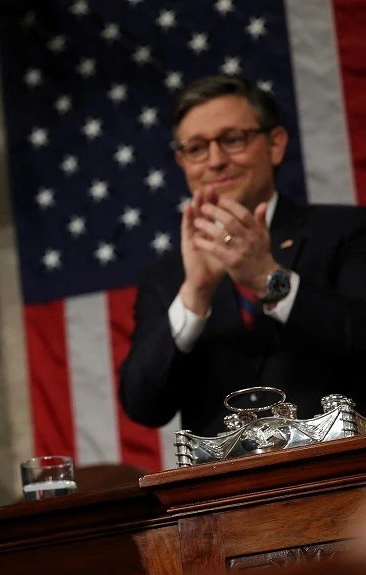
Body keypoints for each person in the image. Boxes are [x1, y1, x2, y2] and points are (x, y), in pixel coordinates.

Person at [119, 74, 366, 437]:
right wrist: (195, 295)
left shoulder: (345, 230)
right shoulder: (167, 275)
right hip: (225, 474)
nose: (215, 161)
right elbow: (143, 405)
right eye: (196, 148)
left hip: (341, 465)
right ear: (182, 161)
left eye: (232, 140)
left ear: (275, 145)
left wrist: (270, 280)